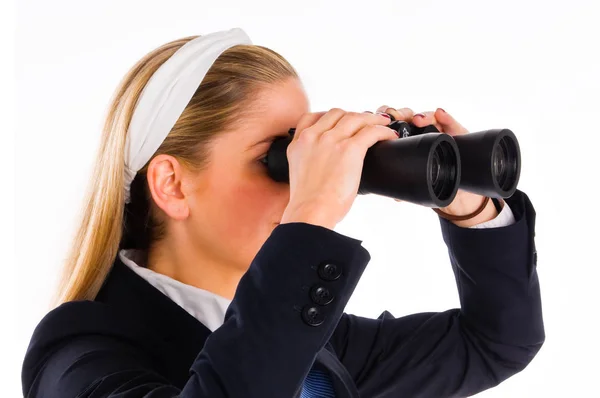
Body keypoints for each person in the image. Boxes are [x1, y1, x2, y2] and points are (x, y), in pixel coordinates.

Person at [20, 28, 544, 398]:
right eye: (277, 160)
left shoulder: (315, 339)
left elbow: (496, 342)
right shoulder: (80, 352)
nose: (302, 182)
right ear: (172, 185)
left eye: (304, 154)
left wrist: (466, 204)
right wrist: (309, 218)